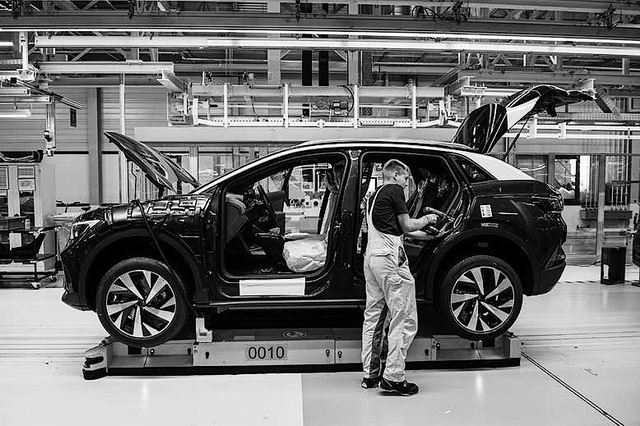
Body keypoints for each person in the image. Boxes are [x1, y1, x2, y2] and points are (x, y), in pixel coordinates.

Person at [360, 159, 439, 396]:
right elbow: (406, 225)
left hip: (372, 259)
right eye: (406, 177)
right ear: (395, 175)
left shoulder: (374, 196)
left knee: (374, 317)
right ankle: (393, 377)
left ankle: (370, 374)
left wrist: (430, 236)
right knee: (403, 317)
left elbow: (396, 229)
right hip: (389, 260)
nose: (407, 183)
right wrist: (428, 219)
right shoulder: (394, 190)